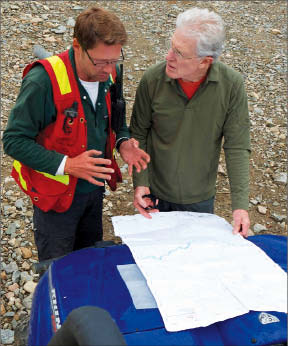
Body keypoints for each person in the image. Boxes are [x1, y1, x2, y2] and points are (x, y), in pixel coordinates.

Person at [3, 6, 150, 261]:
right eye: (101, 61)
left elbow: (116, 120)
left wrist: (124, 142)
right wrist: (68, 165)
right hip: (55, 201)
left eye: (114, 60)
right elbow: (13, 141)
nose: (108, 69)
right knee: (57, 270)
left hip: (93, 193)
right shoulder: (43, 81)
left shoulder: (109, 73)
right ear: (77, 46)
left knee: (90, 263)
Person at [130, 7, 251, 236]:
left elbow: (237, 146)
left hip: (199, 199)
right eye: (171, 46)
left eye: (179, 52)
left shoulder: (232, 86)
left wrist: (240, 206)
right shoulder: (152, 80)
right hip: (153, 193)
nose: (168, 56)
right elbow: (139, 133)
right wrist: (141, 183)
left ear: (205, 61)